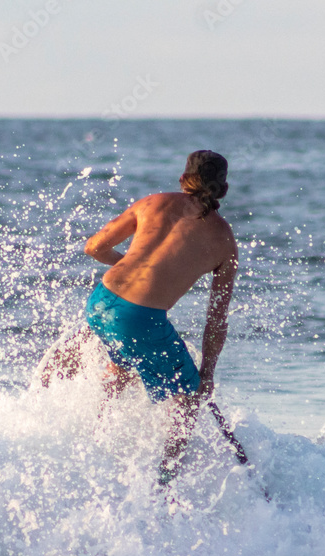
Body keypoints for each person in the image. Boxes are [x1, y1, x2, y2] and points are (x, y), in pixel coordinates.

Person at [83, 150, 238, 486]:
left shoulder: (151, 202)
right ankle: (164, 484)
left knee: (122, 365)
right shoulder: (225, 241)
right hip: (140, 319)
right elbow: (216, 320)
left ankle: (91, 441)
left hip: (99, 302)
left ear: (183, 180)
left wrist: (132, 267)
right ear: (223, 190)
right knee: (190, 396)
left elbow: (93, 247)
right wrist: (207, 375)